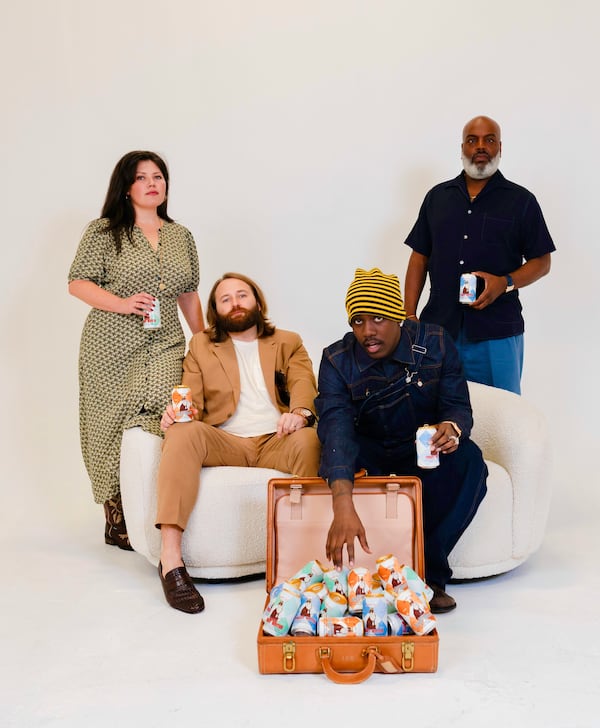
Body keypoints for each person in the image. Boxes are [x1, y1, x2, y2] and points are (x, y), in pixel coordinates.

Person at [316, 268, 488, 613]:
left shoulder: (436, 342)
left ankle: (429, 576)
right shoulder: (336, 359)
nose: (368, 332)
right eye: (358, 321)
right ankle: (366, 578)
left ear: (398, 317)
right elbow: (336, 428)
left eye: (378, 318)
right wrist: (342, 502)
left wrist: (451, 428)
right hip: (370, 452)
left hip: (422, 450)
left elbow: (457, 404)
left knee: (470, 461)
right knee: (336, 454)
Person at [156, 272, 321, 613]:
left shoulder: (288, 341)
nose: (235, 303)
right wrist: (177, 413)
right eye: (225, 299)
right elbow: (193, 399)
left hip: (277, 438)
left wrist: (300, 412)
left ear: (257, 302)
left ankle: (307, 559)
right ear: (216, 311)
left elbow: (304, 381)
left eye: (242, 295)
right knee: (181, 431)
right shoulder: (201, 345)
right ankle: (170, 559)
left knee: (311, 440)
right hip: (225, 440)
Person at [68, 151, 204, 550]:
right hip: (110, 342)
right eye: (142, 177)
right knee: (107, 423)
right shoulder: (104, 231)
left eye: (158, 176)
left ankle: (148, 504)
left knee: (163, 416)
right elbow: (78, 283)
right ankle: (116, 512)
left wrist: (203, 339)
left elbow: (189, 293)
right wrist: (123, 302)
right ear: (126, 187)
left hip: (165, 342)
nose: (152, 183)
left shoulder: (181, 236)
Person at [404, 115, 556, 394]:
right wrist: (410, 315)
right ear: (462, 148)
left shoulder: (521, 201)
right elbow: (419, 256)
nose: (480, 146)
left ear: (500, 147)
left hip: (496, 333)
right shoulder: (437, 198)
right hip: (439, 329)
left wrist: (505, 282)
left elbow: (542, 261)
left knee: (502, 419)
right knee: (434, 416)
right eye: (472, 140)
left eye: (489, 139)